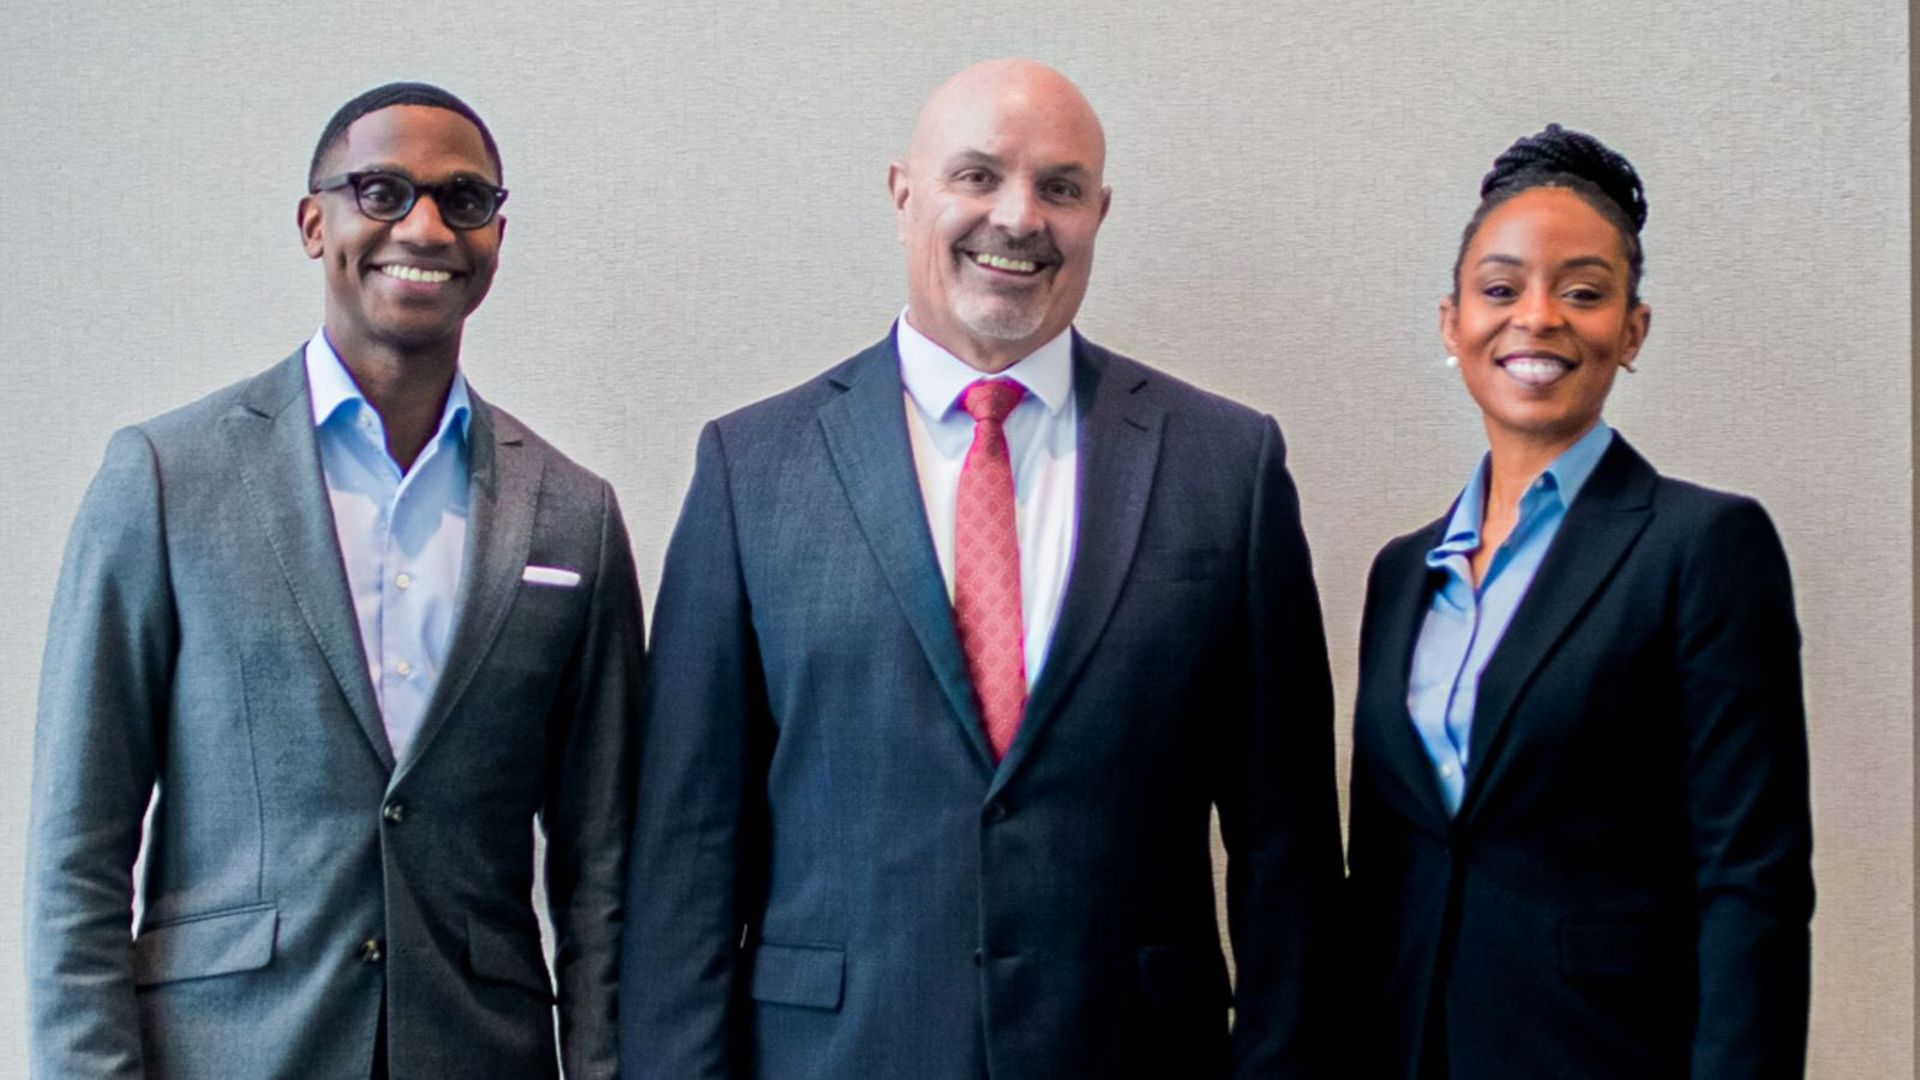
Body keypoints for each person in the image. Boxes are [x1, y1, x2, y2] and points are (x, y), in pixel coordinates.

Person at [621, 59, 1341, 1079]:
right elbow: (685, 858)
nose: (1019, 216)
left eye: (1060, 187)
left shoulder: (1227, 467)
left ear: (1100, 210)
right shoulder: (752, 468)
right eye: (977, 176)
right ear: (903, 192)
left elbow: (1290, 857)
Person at [25, 82, 642, 1080]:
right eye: (383, 191)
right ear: (316, 223)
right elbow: (78, 852)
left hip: (479, 1052)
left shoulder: (574, 515)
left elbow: (603, 873)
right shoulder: (166, 479)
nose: (427, 226)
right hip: (228, 1052)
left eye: (465, 200)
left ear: (496, 234)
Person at [1345, 124, 1815, 1078]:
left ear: (1631, 331)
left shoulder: (1702, 547)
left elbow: (1751, 885)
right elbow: (1389, 868)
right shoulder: (1403, 574)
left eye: (1585, 292)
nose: (1539, 317)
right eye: (1502, 288)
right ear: (1452, 322)